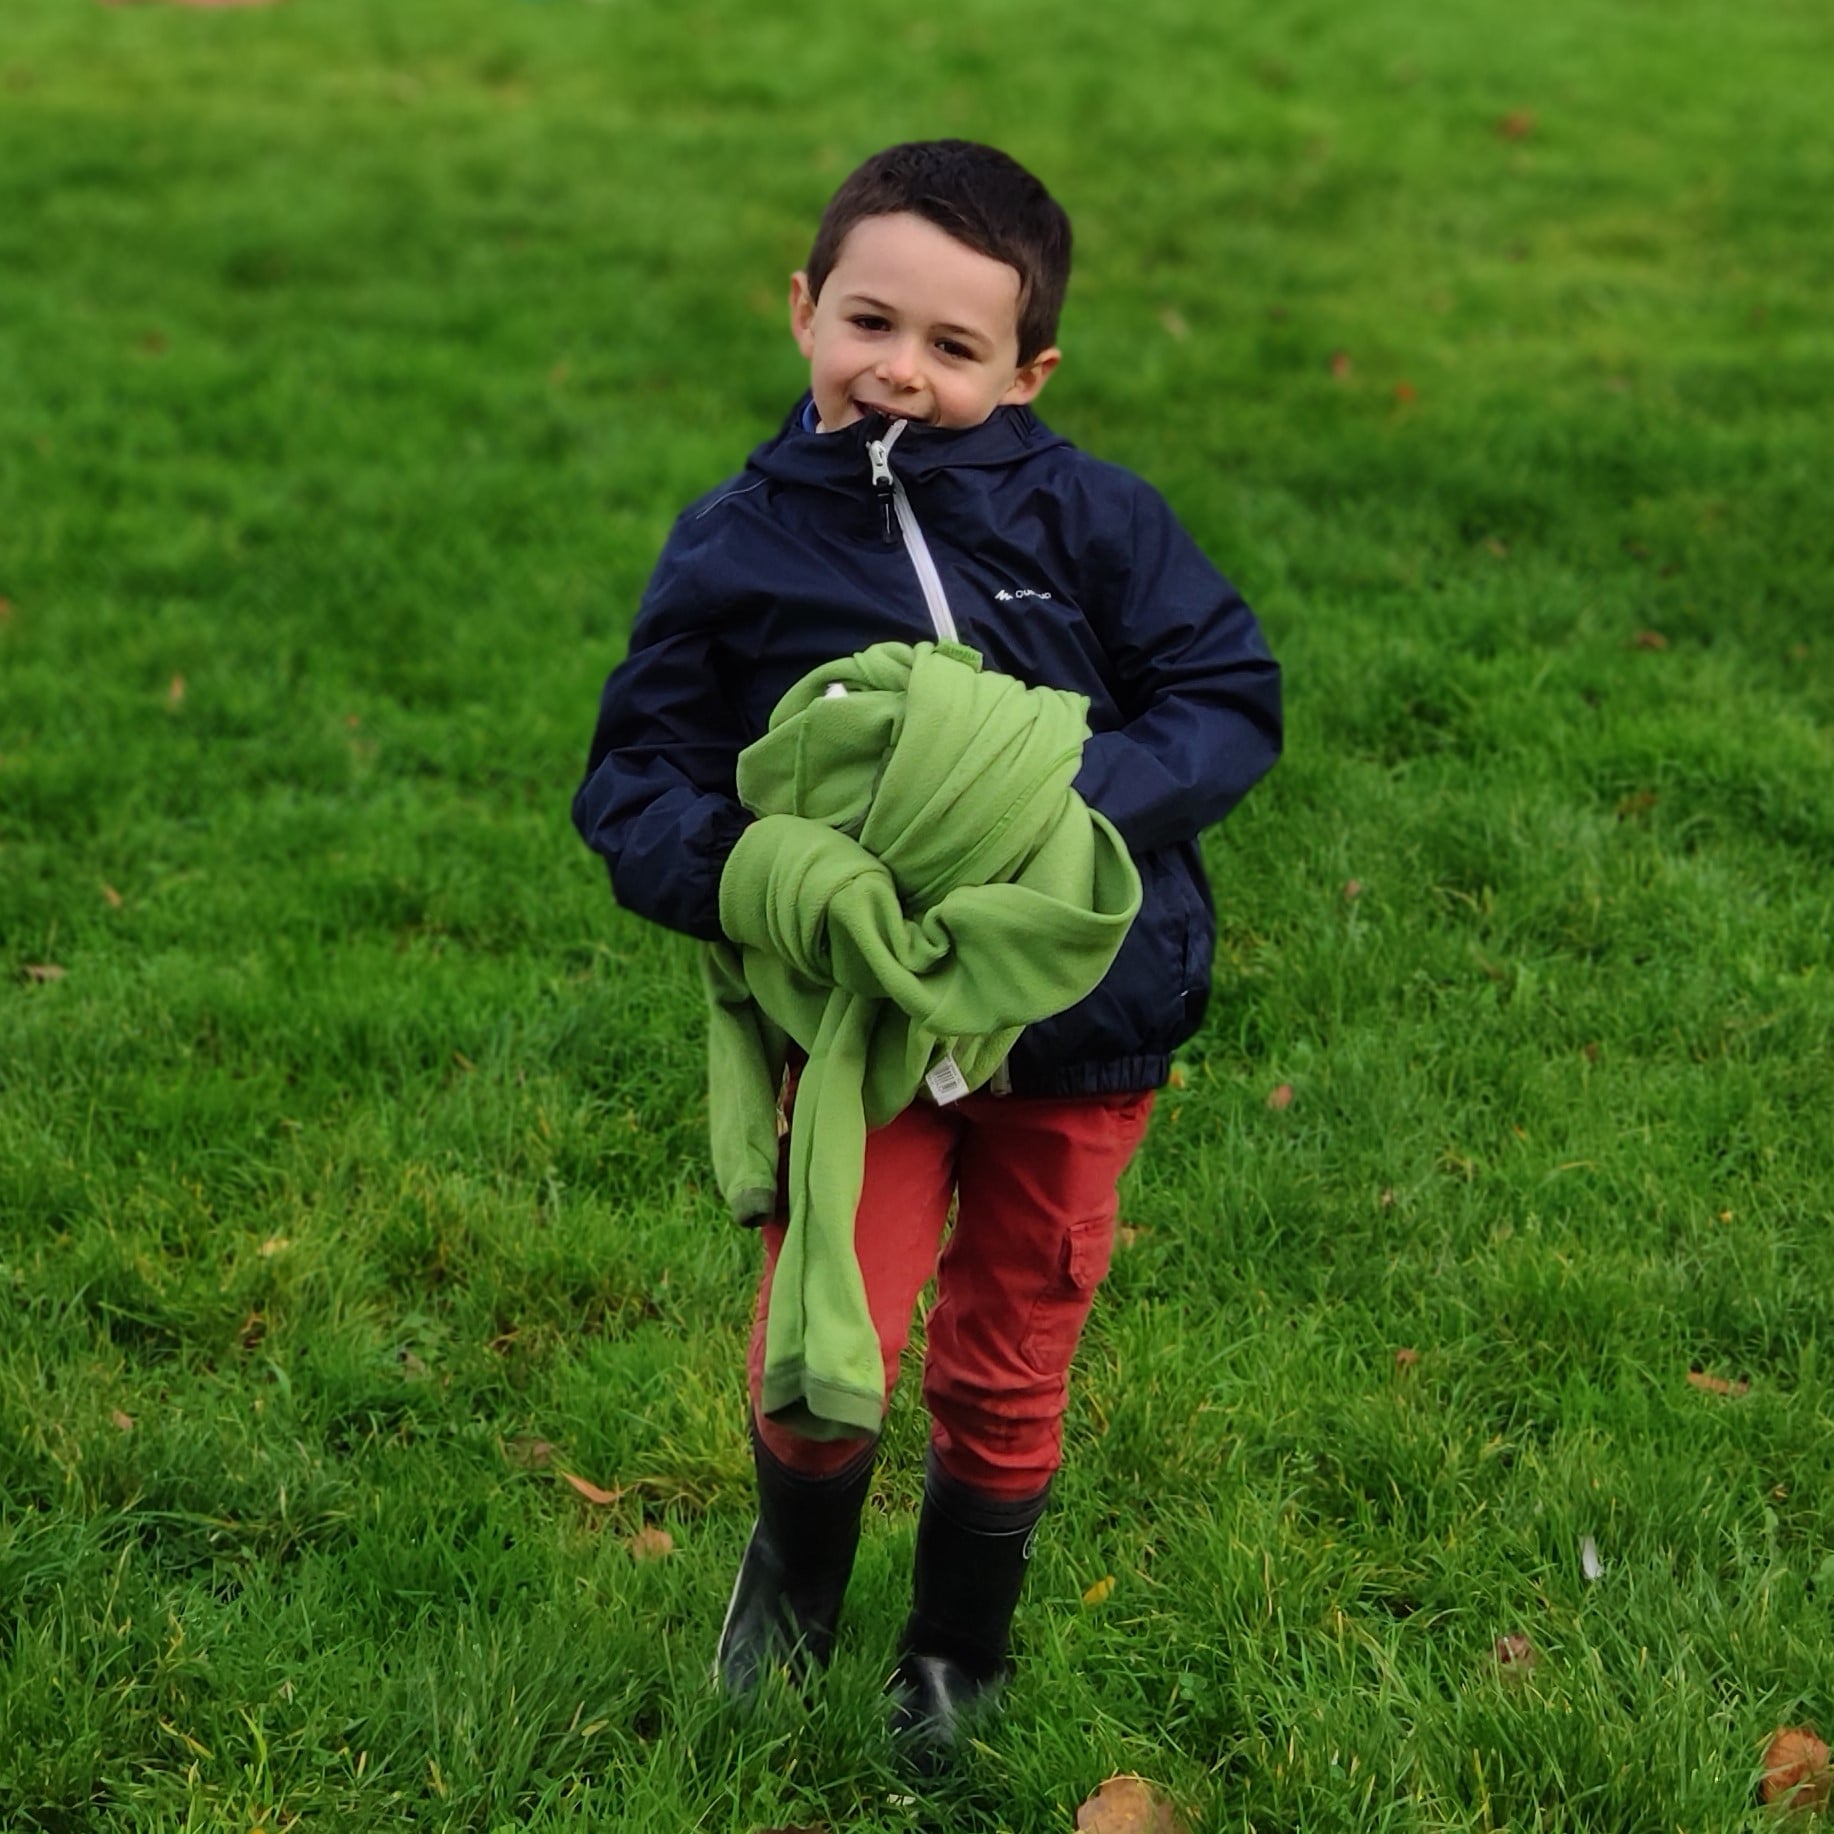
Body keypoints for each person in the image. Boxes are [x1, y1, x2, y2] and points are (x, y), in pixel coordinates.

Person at [572, 139, 1282, 1759]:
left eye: (954, 346)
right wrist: (759, 873)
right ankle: (789, 1599)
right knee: (824, 1332)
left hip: (1078, 1018)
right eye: (869, 322)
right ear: (803, 308)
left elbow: (1225, 694)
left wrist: (1050, 810)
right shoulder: (736, 542)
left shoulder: (1093, 519)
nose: (900, 369)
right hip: (855, 1027)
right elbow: (634, 779)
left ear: (1027, 370)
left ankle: (958, 1650)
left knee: (1013, 1340)